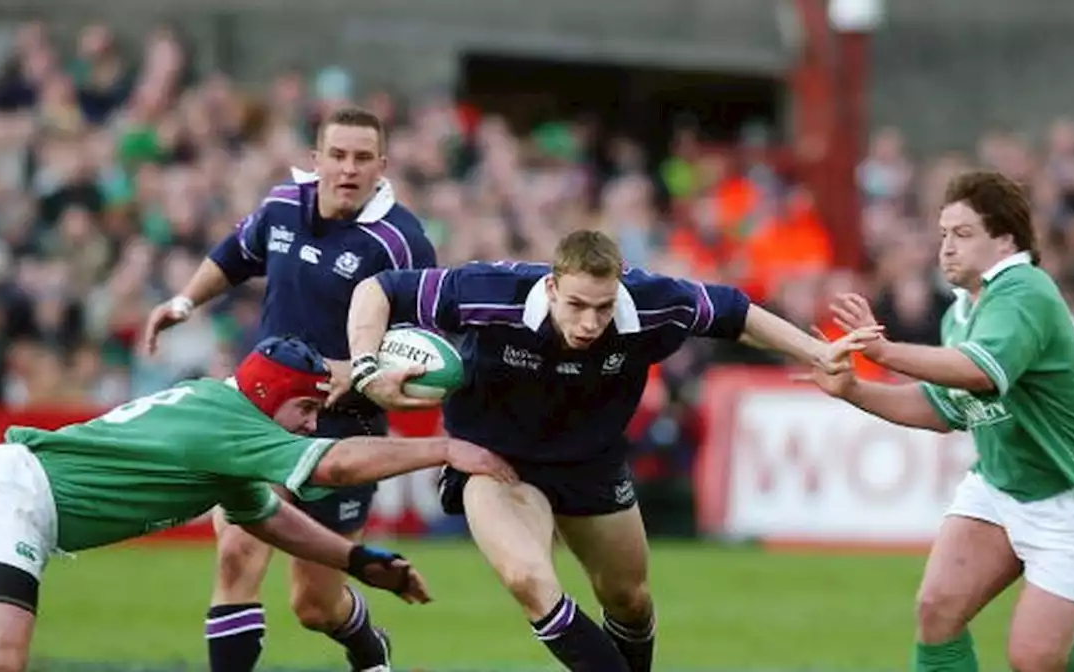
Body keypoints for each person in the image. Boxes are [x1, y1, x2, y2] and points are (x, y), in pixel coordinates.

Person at [331, 230, 876, 672]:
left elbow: (736, 313)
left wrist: (818, 351)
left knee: (629, 599)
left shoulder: (657, 303)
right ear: (550, 287)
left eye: (603, 307)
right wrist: (365, 368)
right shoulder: (488, 291)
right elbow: (379, 288)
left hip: (590, 463)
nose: (590, 323)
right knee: (529, 580)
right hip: (495, 463)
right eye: (576, 305)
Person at [0, 336, 515, 672]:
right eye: (305, 411)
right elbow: (333, 464)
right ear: (272, 397)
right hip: (9, 497)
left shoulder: (220, 424)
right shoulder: (229, 421)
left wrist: (357, 563)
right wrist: (443, 447)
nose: (310, 426)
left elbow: (267, 516)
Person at [806, 170, 1074, 672]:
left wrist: (881, 352)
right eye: (944, 234)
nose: (947, 247)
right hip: (1000, 486)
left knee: (1035, 660)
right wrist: (854, 390)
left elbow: (980, 373)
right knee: (936, 612)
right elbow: (942, 407)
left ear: (1005, 240)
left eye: (963, 234)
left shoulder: (1023, 290)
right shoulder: (960, 314)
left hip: (1069, 496)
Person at [142, 106, 436, 672]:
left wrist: (350, 372)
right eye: (339, 155)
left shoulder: (401, 242)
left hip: (344, 430)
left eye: (362, 158)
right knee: (236, 553)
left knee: (314, 604)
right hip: (259, 415)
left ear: (382, 165)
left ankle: (367, 645)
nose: (348, 169)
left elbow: (416, 348)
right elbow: (235, 256)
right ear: (317, 159)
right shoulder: (282, 206)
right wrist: (182, 302)